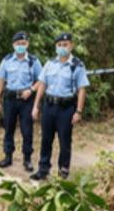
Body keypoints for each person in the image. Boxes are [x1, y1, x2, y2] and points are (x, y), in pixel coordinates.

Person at [32, 33, 89, 181]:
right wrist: (36, 106)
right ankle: (43, 169)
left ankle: (63, 170)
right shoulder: (50, 64)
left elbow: (82, 89)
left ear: (71, 46)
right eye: (59, 45)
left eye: (65, 45)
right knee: (46, 139)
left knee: (64, 141)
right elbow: (42, 84)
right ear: (55, 47)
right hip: (49, 106)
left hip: (66, 108)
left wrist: (78, 111)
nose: (62, 48)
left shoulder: (77, 65)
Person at [0, 32, 42, 171]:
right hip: (10, 98)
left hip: (26, 99)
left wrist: (31, 90)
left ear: (27, 44)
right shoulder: (7, 60)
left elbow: (41, 80)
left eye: (23, 43)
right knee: (9, 128)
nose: (21, 46)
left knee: (27, 130)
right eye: (18, 43)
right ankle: (8, 156)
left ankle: (27, 159)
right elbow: (0, 81)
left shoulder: (33, 61)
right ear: (13, 45)